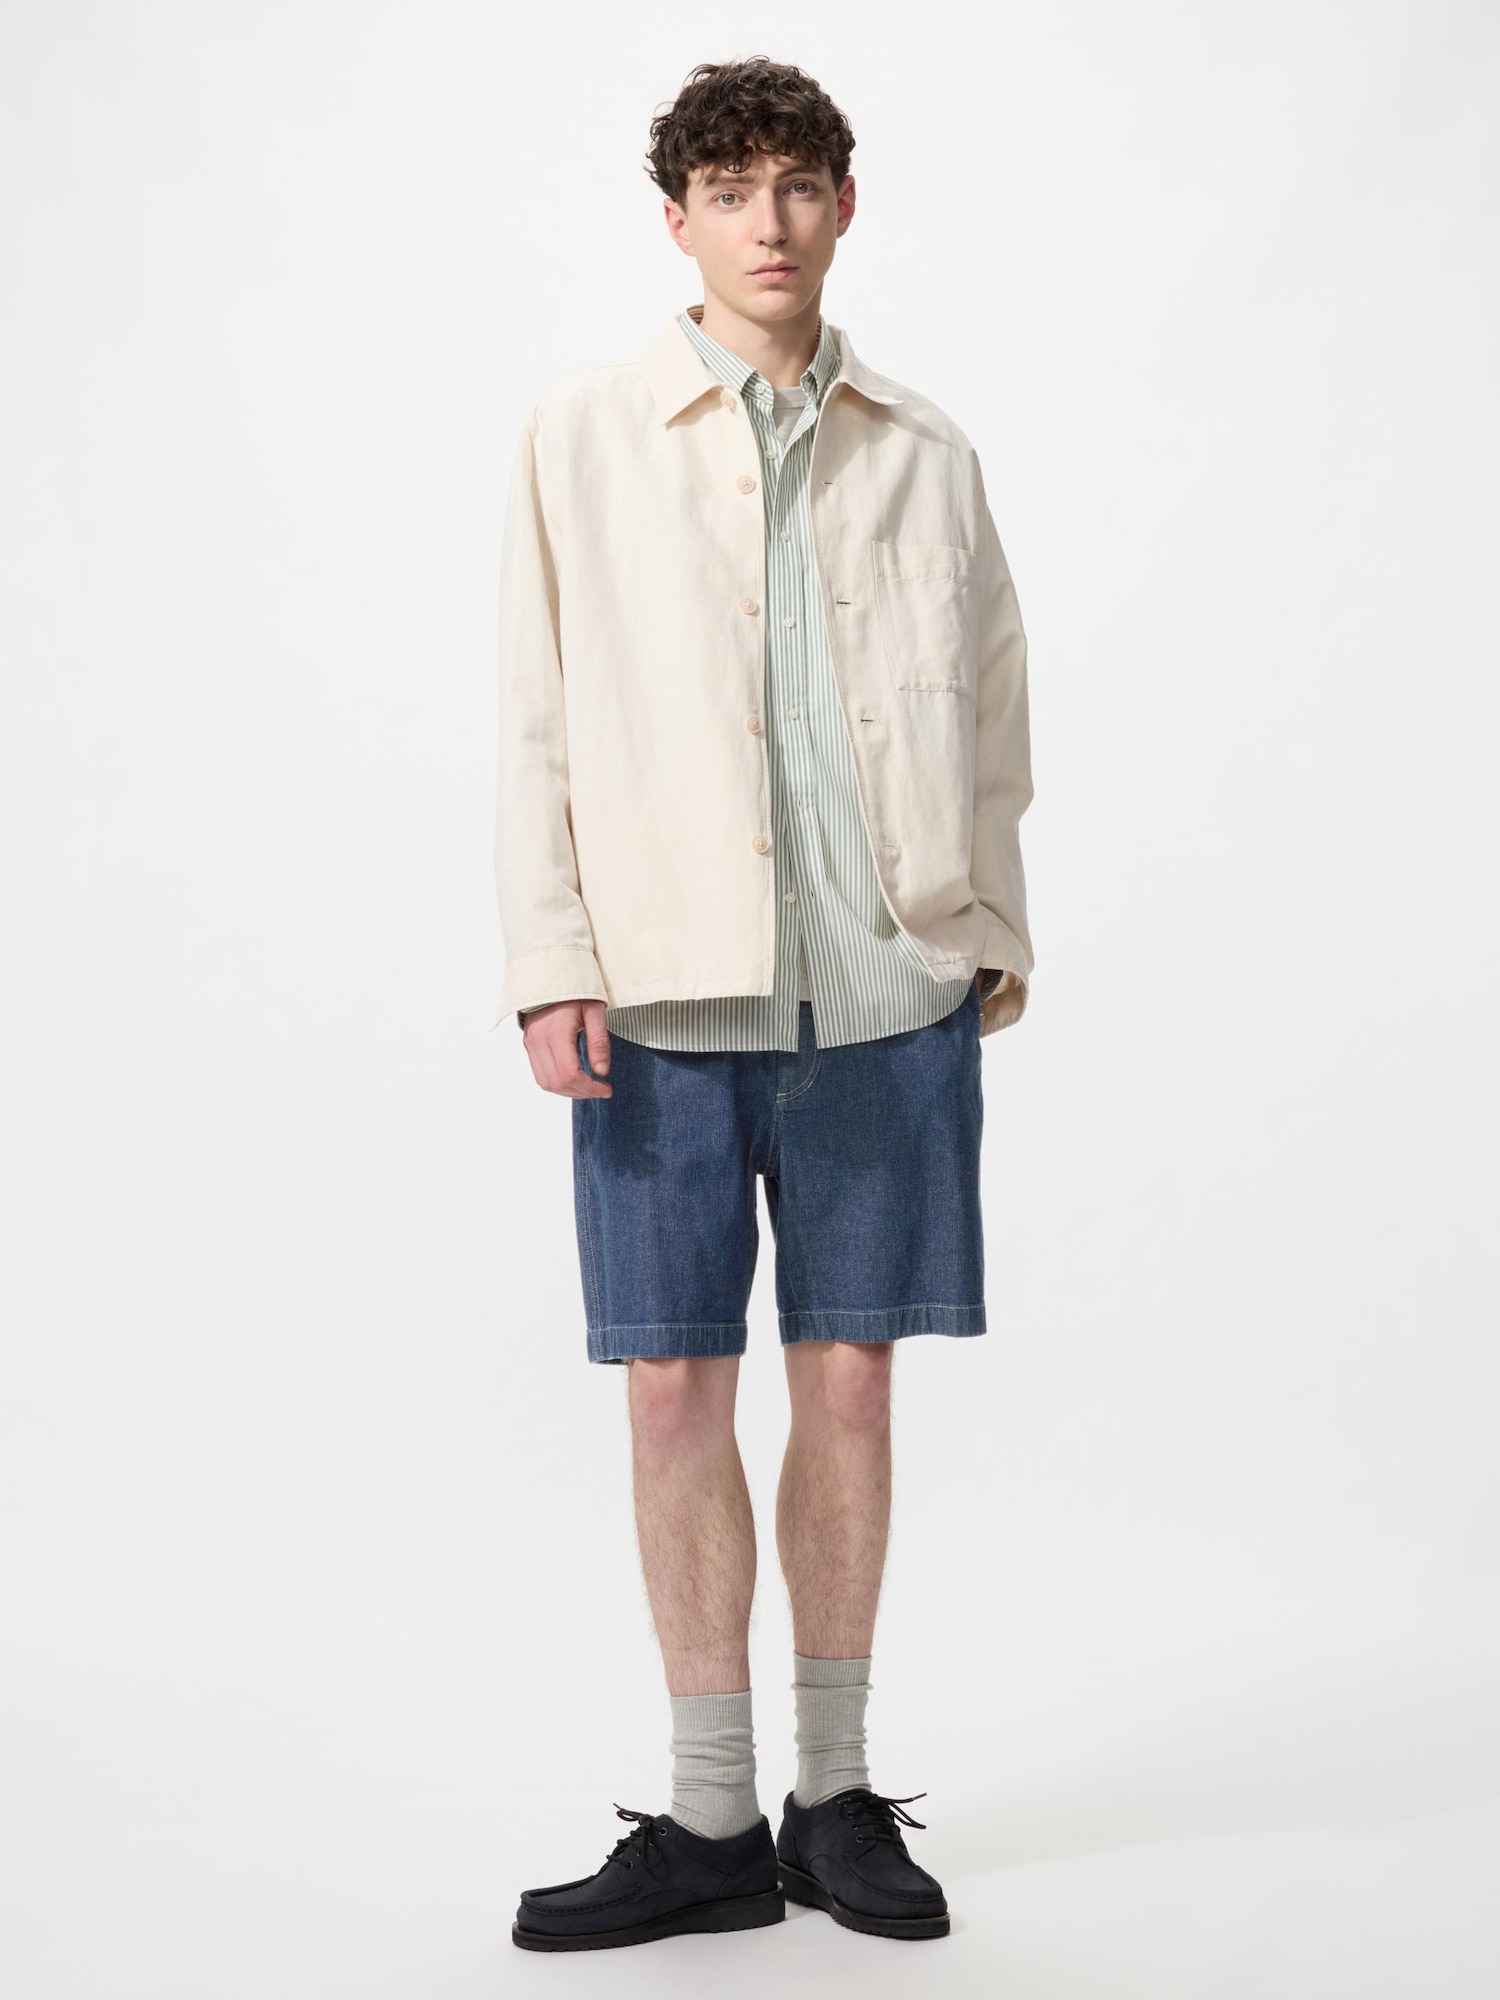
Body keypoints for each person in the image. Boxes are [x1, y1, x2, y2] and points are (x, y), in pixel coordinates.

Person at [493, 55, 1035, 1954]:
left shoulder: (926, 446)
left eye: (799, 185)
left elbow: (996, 703)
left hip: (886, 985)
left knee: (852, 1379)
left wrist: (990, 931)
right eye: (731, 191)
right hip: (659, 987)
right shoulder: (583, 436)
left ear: (844, 205)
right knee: (671, 1385)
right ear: (679, 221)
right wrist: (551, 958)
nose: (771, 223)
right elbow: (536, 719)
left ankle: (833, 1792)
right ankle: (712, 1817)